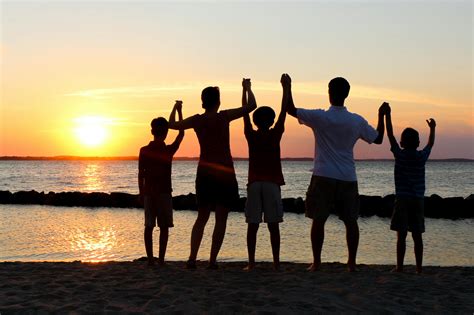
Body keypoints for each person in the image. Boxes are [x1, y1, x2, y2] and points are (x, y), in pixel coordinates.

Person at [282, 73, 389, 272]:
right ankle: (351, 264)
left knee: (318, 220)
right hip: (347, 176)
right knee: (350, 221)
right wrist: (381, 115)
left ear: (330, 93)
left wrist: (287, 87)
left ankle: (317, 262)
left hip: (323, 175)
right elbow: (379, 138)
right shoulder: (356, 120)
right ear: (346, 94)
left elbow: (290, 109)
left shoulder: (322, 117)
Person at [169, 80, 257, 269]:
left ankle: (192, 258)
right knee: (221, 218)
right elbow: (251, 106)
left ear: (203, 102)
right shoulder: (224, 117)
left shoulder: (197, 120)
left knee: (202, 217)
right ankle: (212, 260)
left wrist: (177, 108)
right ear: (218, 102)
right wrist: (247, 88)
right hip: (224, 172)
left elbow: (172, 125)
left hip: (205, 172)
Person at [242, 76, 287, 271]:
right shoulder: (275, 134)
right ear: (272, 121)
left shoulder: (251, 135)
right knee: (273, 225)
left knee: (253, 225)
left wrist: (245, 90)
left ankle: (251, 263)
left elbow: (245, 111)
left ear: (255, 121)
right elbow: (284, 110)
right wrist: (286, 88)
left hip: (254, 184)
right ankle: (276, 263)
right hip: (271, 184)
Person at [385, 105, 436, 274]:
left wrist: (388, 116)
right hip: (418, 200)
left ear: (401, 143)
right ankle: (419, 268)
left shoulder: (400, 155)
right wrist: (433, 128)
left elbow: (390, 134)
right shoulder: (421, 157)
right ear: (418, 143)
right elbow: (430, 144)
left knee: (401, 235)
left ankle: (399, 266)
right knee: (417, 235)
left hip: (402, 199)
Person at [138, 101, 185, 266]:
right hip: (164, 193)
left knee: (149, 226)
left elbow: (140, 174)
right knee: (163, 227)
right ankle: (161, 260)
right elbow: (181, 134)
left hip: (150, 193)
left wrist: (141, 192)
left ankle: (151, 259)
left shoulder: (144, 150)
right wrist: (178, 110)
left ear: (152, 131)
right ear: (166, 132)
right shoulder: (167, 150)